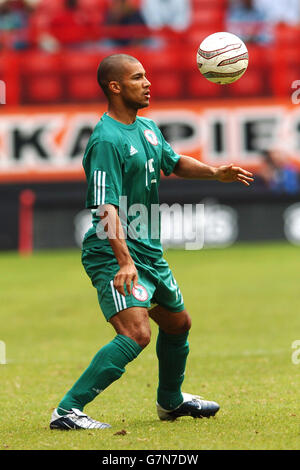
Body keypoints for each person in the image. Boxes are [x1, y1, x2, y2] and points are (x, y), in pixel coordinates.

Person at [50, 54, 253, 430]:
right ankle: (67, 410)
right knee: (136, 333)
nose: (147, 83)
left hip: (148, 251)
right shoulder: (105, 140)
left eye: (146, 76)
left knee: (178, 324)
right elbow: (104, 206)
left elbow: (173, 162)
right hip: (112, 251)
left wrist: (214, 173)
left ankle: (171, 403)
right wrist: (125, 261)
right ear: (115, 87)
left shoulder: (147, 129)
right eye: (137, 77)